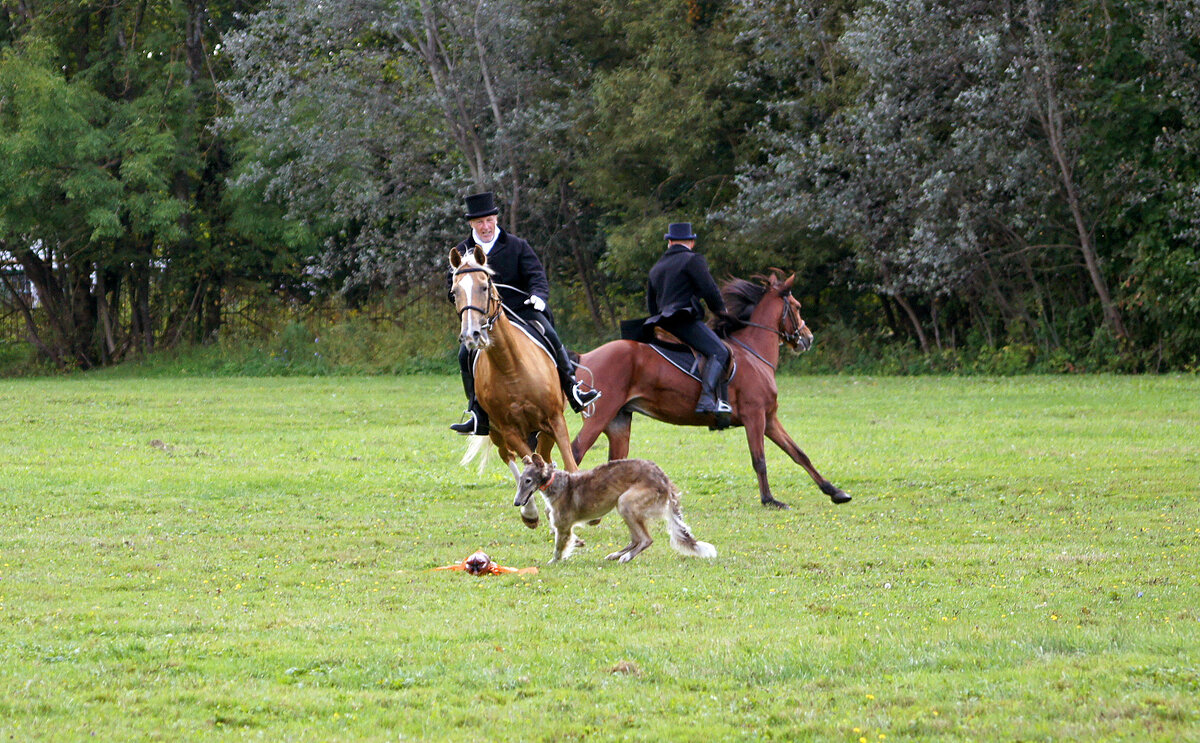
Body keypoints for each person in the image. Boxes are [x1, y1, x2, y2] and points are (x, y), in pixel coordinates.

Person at [449, 192, 600, 435]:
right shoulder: (462, 251)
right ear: (471, 224)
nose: (485, 226)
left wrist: (538, 297)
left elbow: (536, 276)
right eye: (479, 222)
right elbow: (453, 287)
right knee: (463, 354)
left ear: (496, 219)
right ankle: (476, 411)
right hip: (486, 319)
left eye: (489, 220)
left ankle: (573, 390)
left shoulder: (517, 246)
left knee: (550, 334)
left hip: (522, 311)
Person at [644, 222, 732, 416]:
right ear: (691, 242)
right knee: (719, 351)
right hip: (682, 321)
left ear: (670, 243)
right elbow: (710, 290)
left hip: (660, 323)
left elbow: (651, 304)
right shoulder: (693, 260)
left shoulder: (656, 267)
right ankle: (707, 399)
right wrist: (722, 312)